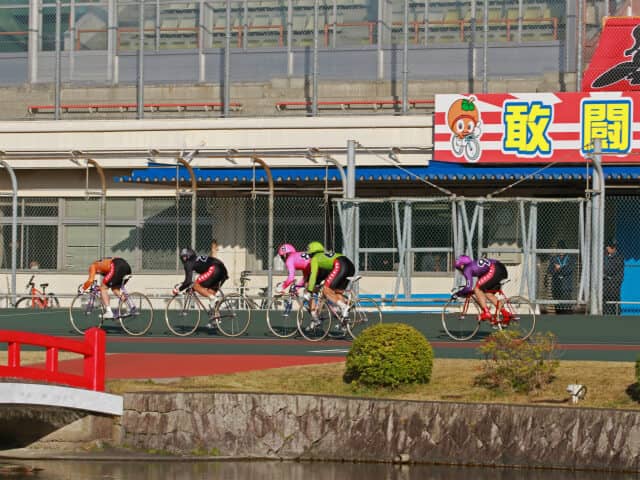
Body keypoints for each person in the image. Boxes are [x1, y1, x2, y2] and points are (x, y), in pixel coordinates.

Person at [173, 248, 229, 326]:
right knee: (210, 294)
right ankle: (216, 319)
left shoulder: (188, 263)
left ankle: (214, 300)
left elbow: (188, 281)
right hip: (222, 270)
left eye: (183, 257)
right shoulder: (197, 259)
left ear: (186, 257)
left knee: (198, 286)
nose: (183, 259)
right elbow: (190, 282)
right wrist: (192, 288)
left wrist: (178, 290)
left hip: (214, 269)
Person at [305, 241, 355, 325]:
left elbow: (313, 274)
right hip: (350, 265)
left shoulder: (315, 258)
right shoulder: (324, 256)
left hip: (340, 264)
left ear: (312, 252)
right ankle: (345, 317)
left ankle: (344, 306)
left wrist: (309, 290)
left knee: (326, 289)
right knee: (336, 292)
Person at [454, 254, 510, 324]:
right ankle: (506, 314)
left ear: (462, 265)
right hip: (500, 268)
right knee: (487, 293)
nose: (459, 271)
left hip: (495, 269)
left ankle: (487, 312)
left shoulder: (467, 269)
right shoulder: (474, 266)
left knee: (477, 289)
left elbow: (468, 288)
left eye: (458, 268)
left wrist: (457, 294)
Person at [545, 240, 575, 314]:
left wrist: (559, 268)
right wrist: (556, 269)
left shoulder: (570, 258)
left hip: (566, 288)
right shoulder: (554, 258)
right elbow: (549, 270)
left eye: (562, 248)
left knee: (566, 308)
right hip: (556, 287)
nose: (561, 251)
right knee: (557, 309)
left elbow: (569, 270)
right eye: (559, 249)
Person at [603, 239, 625, 315]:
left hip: (614, 285)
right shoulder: (606, 256)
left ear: (613, 248)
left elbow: (610, 270)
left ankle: (616, 315)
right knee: (605, 304)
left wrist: (604, 273)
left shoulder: (619, 257)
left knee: (614, 303)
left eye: (608, 247)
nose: (607, 249)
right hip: (606, 286)